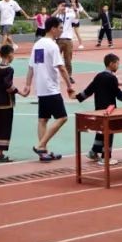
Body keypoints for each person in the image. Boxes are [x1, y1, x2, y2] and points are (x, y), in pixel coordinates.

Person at [22, 17, 75, 161]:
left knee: (43, 119)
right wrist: (69, 86)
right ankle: (41, 145)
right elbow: (62, 68)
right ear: (53, 28)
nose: (61, 30)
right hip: (51, 88)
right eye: (60, 27)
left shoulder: (38, 44)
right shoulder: (52, 46)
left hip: (41, 87)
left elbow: (31, 67)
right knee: (62, 117)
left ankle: (43, 151)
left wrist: (28, 85)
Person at [76, 53, 122, 163]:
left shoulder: (99, 76)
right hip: (109, 109)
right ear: (111, 64)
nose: (118, 66)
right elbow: (118, 94)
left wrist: (78, 97)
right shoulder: (112, 78)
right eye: (117, 64)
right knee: (109, 132)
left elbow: (89, 90)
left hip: (99, 109)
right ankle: (105, 157)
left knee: (101, 130)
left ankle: (93, 152)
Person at [53, 1, 77, 83]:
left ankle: (69, 76)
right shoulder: (56, 15)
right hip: (58, 40)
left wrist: (75, 9)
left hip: (68, 40)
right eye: (62, 5)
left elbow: (76, 19)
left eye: (64, 5)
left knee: (68, 60)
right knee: (55, 59)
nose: (63, 7)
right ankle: (53, 76)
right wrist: (58, 10)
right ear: (58, 6)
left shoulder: (69, 14)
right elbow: (50, 19)